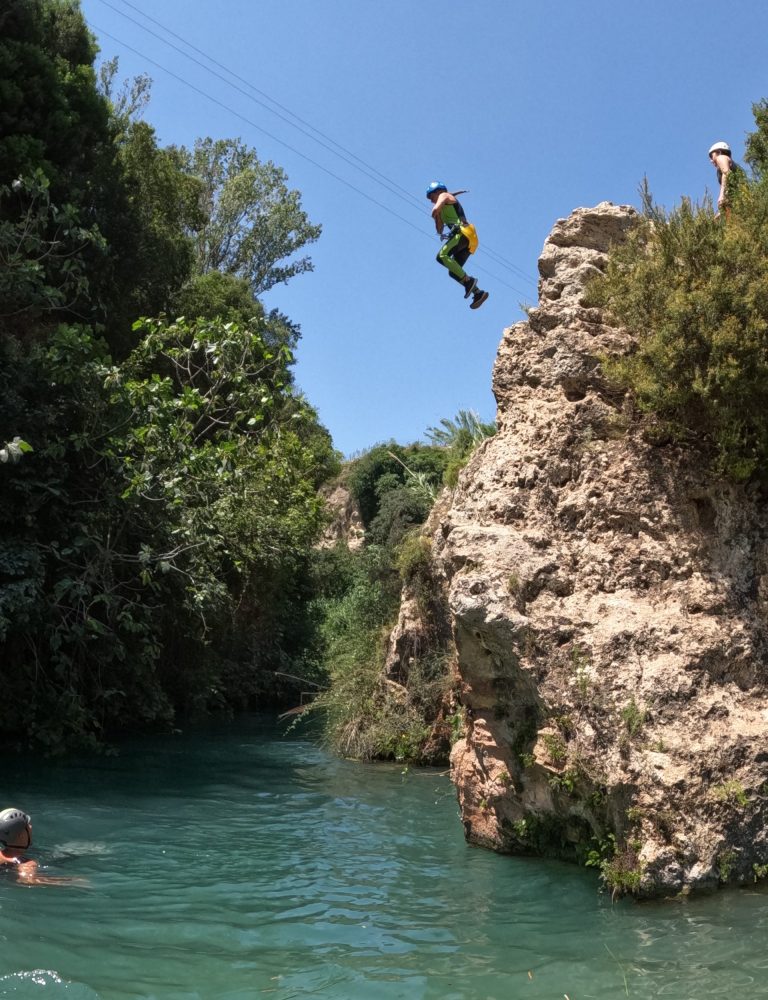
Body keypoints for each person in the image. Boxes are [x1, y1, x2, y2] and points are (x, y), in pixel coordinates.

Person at [426, 182, 489, 309]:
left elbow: (435, 208)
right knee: (454, 272)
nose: (431, 200)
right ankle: (478, 293)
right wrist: (437, 218)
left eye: (431, 197)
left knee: (441, 256)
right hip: (469, 239)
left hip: (462, 233)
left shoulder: (444, 195)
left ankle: (469, 281)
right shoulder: (444, 205)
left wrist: (435, 210)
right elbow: (439, 230)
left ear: (437, 191)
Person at [0, 807, 86, 886]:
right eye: (28, 825)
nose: (31, 826)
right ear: (21, 835)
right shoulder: (27, 863)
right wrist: (71, 881)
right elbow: (27, 880)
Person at [708, 141, 738, 217]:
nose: (711, 161)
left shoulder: (721, 157)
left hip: (737, 200)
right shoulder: (729, 165)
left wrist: (722, 195)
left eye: (712, 156)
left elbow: (727, 173)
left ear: (718, 152)